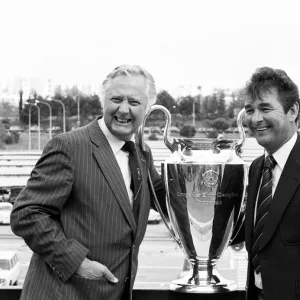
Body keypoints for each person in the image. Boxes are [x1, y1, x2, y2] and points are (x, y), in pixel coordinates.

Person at [10, 65, 166, 300]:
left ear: (148, 110)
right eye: (116, 99)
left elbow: (164, 198)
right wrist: (77, 263)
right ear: (103, 101)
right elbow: (26, 213)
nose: (123, 110)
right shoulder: (70, 147)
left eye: (133, 102)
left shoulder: (142, 153)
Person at [242, 67, 300, 300]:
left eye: (265, 108)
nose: (255, 119)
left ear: (293, 111)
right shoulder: (258, 168)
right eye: (249, 110)